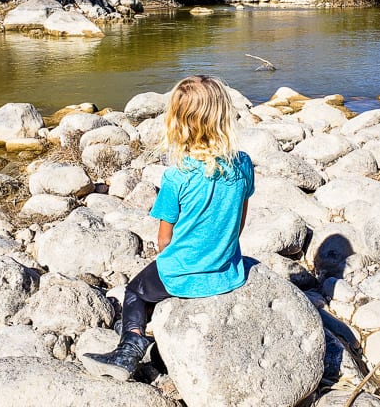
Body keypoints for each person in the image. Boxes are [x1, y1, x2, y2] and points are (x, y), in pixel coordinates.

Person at [81, 75, 256, 381]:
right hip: (228, 270)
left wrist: (176, 263)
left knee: (135, 290)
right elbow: (239, 223)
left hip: (184, 270)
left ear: (178, 123)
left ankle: (129, 349)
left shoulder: (178, 177)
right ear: (224, 116)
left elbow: (164, 241)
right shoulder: (242, 164)